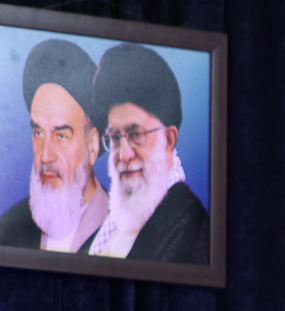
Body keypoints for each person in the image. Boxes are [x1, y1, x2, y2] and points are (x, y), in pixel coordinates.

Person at [86, 43, 209, 264]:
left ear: (169, 140)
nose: (124, 155)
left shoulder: (189, 227)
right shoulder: (112, 224)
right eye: (115, 138)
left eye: (136, 135)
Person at [0, 40, 108, 252]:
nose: (45, 156)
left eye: (61, 136)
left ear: (92, 145)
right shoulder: (9, 229)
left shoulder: (123, 232)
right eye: (38, 133)